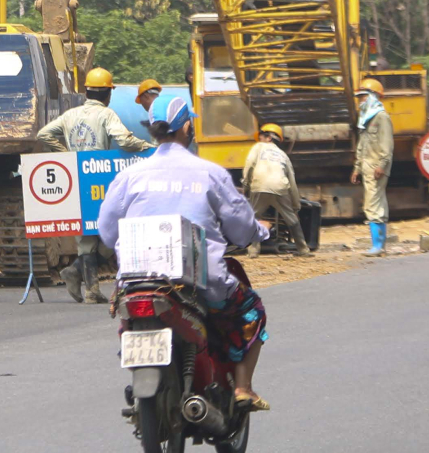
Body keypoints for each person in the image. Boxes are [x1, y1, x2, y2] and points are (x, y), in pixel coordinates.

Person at [97, 97, 271, 411]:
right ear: (187, 127)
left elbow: (108, 234)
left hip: (136, 284)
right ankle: (243, 387)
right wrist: (261, 231)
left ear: (152, 131)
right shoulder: (210, 173)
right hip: (202, 283)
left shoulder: (129, 176)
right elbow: (243, 230)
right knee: (250, 311)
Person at [37, 66, 152, 303]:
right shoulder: (106, 115)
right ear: (108, 94)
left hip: (77, 179)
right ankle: (89, 289)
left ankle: (78, 275)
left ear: (87, 92)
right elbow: (123, 139)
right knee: (112, 234)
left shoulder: (70, 115)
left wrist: (67, 154)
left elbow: (44, 134)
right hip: (100, 183)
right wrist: (147, 147)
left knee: (87, 237)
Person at [241, 123, 308, 254]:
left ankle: (254, 249)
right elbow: (292, 181)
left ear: (269, 138)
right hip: (280, 187)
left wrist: (246, 185)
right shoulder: (283, 155)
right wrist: (296, 204)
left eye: (261, 137)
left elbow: (249, 165)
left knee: (254, 216)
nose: (259, 139)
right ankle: (303, 248)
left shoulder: (258, 147)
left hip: (259, 185)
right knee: (291, 219)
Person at [355, 78, 394, 254]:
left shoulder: (381, 117)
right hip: (367, 167)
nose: (360, 100)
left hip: (377, 168)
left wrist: (382, 165)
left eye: (363, 96)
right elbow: (362, 146)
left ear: (373, 96)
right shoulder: (365, 119)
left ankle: (377, 245)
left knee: (372, 205)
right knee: (377, 203)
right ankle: (380, 244)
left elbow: (387, 144)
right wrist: (357, 168)